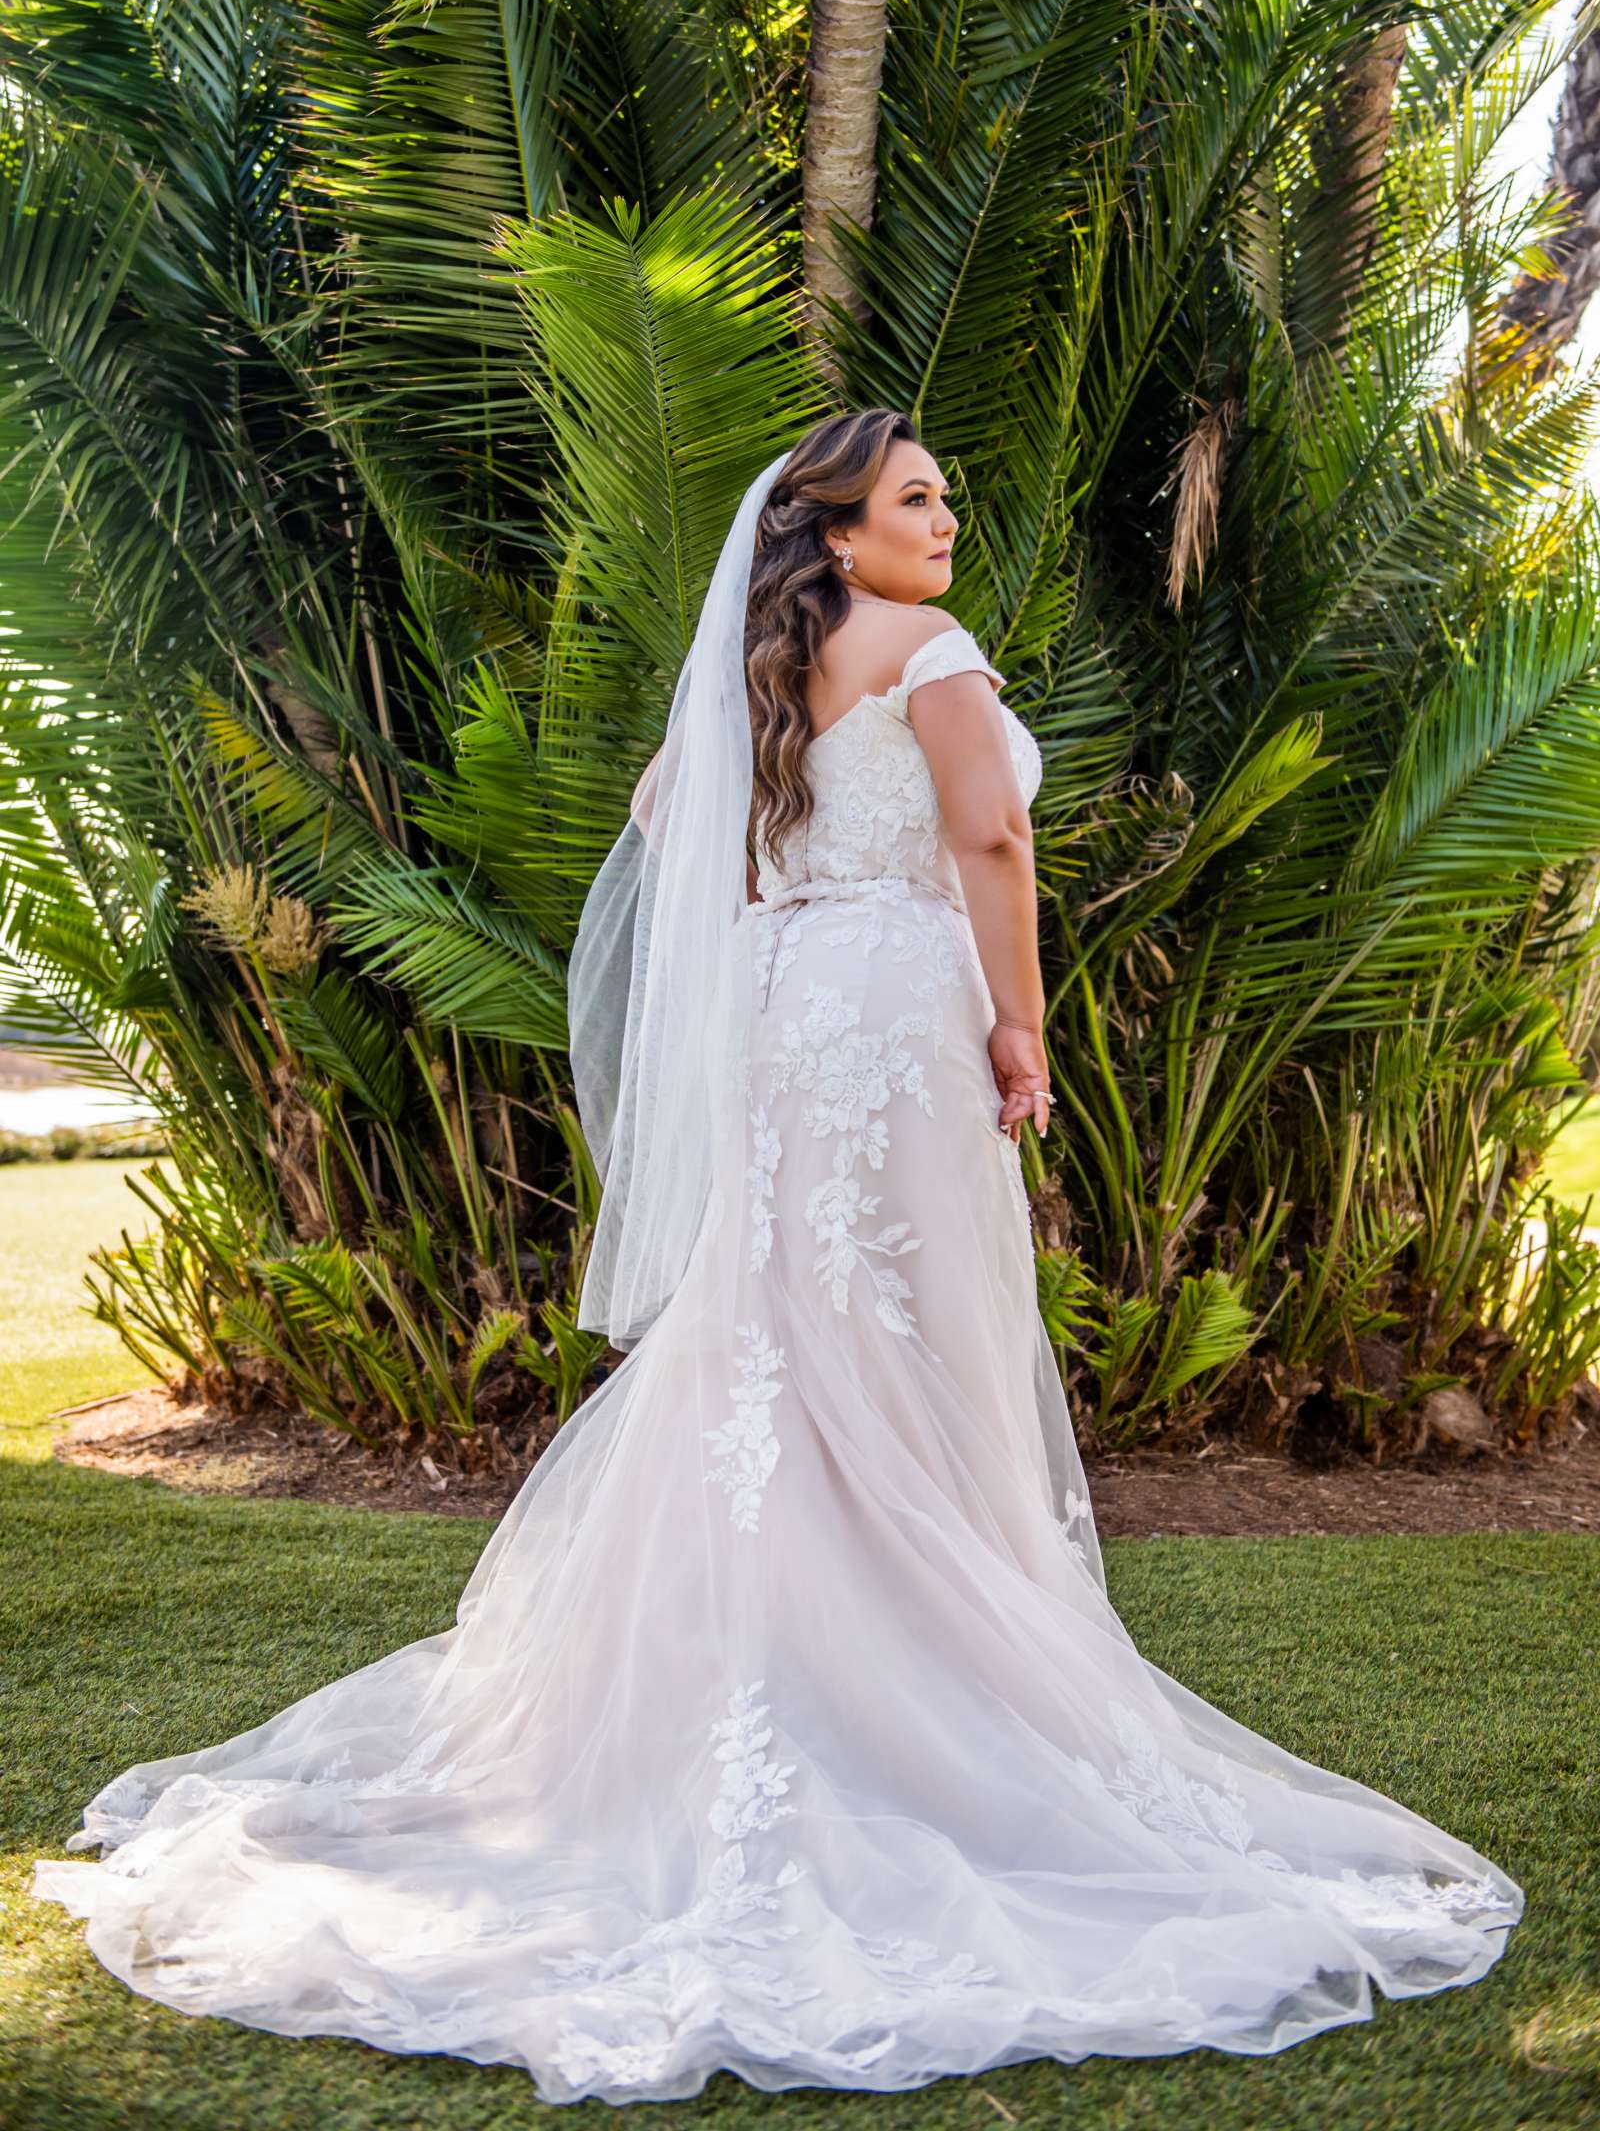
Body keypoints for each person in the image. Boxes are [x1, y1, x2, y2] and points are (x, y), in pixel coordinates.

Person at [33, 409, 1522, 2103]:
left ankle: (754, 1682)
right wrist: (1021, 1027)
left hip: (786, 1013)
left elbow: (678, 834)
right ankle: (919, 1692)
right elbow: (994, 843)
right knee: (905, 1344)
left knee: (781, 1339)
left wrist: (792, 928)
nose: (947, 518)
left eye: (949, 492)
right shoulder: (932, 653)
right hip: (895, 1018)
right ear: (833, 524)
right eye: (915, 496)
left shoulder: (760, 671)